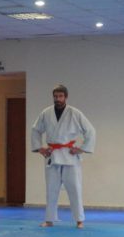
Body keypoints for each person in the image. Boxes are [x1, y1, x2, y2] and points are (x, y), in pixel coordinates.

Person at [31, 85, 96, 229]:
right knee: (51, 189)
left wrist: (81, 149)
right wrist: (40, 148)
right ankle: (49, 219)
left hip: (70, 155)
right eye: (55, 96)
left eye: (60, 96)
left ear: (66, 97)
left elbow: (90, 131)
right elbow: (35, 130)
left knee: (75, 188)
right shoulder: (46, 113)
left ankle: (79, 220)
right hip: (52, 155)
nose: (58, 99)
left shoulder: (75, 113)